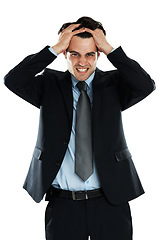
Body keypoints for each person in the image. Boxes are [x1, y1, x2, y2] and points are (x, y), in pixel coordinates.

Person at [4, 16, 155, 240]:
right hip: (63, 205)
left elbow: (146, 85)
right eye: (74, 53)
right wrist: (53, 49)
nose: (82, 62)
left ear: (98, 54)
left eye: (89, 54)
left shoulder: (114, 85)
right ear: (65, 53)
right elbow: (13, 80)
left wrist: (110, 49)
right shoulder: (48, 85)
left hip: (110, 202)